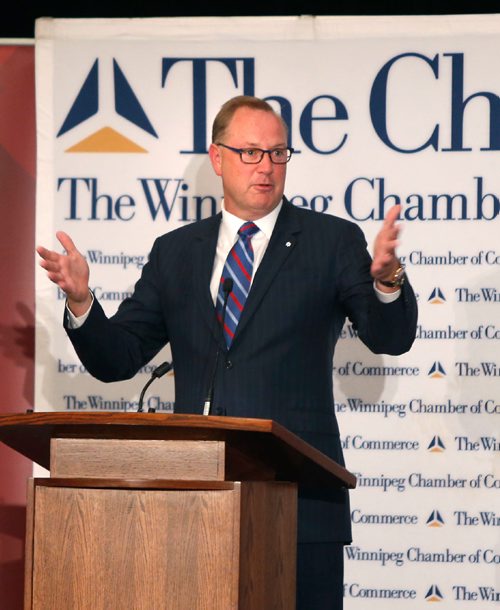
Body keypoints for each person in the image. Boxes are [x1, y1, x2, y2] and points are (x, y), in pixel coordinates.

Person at [37, 95, 418, 609]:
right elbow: (118, 358)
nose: (266, 166)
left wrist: (388, 281)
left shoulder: (331, 241)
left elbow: (389, 339)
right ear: (217, 158)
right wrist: (82, 301)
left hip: (299, 505)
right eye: (251, 152)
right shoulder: (176, 251)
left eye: (278, 154)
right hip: (194, 503)